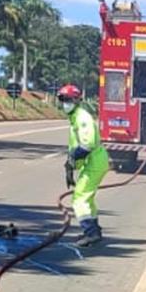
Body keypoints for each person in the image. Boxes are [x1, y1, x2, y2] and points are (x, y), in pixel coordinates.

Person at [58, 84, 109, 246]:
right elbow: (76, 147)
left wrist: (73, 157)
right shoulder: (74, 118)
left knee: (79, 198)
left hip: (95, 162)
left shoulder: (82, 117)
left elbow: (88, 144)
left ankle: (91, 233)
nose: (65, 103)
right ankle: (95, 231)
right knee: (88, 198)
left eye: (68, 100)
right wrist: (70, 167)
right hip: (92, 163)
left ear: (77, 100)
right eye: (63, 100)